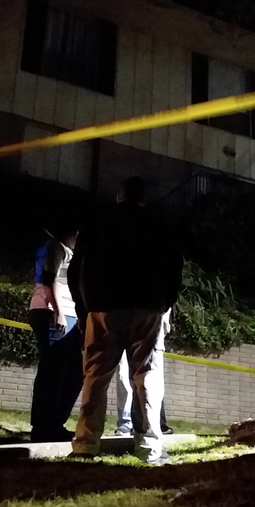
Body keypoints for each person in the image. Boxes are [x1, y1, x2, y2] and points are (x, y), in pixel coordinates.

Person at [68, 177, 183, 464]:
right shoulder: (160, 224)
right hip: (147, 308)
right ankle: (149, 446)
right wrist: (164, 303)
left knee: (96, 376)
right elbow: (174, 268)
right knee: (148, 376)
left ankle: (85, 444)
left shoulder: (96, 223)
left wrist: (84, 310)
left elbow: (75, 270)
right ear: (143, 198)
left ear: (119, 196)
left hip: (103, 308)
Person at [27, 228, 84, 443]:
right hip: (52, 311)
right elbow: (51, 280)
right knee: (52, 371)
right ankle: (43, 426)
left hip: (69, 314)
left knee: (73, 371)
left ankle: (55, 422)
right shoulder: (56, 248)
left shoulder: (71, 253)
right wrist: (59, 312)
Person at [115, 310, 173, 436]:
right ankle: (128, 423)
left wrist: (165, 315)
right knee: (125, 375)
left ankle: (150, 426)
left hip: (148, 316)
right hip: (123, 316)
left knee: (148, 374)